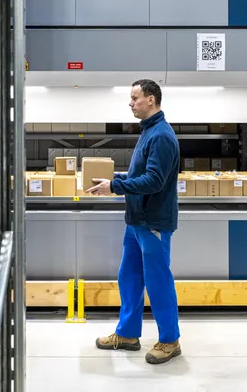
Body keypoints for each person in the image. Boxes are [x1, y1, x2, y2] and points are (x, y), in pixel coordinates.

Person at [85, 79, 181, 365]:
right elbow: (140, 173)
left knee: (158, 280)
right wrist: (115, 180)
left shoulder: (161, 136)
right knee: (130, 278)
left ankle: (170, 340)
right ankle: (127, 334)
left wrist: (115, 188)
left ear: (151, 99)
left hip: (153, 222)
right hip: (136, 221)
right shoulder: (149, 132)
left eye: (134, 98)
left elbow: (154, 181)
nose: (131, 103)